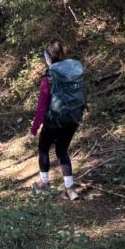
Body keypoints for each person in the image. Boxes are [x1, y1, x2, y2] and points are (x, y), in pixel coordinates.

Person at [31, 40, 84, 199]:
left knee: (43, 148)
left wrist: (34, 128)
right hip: (73, 117)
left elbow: (42, 106)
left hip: (54, 119)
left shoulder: (49, 77)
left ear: (48, 58)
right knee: (62, 150)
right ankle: (70, 189)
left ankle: (44, 184)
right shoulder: (73, 72)